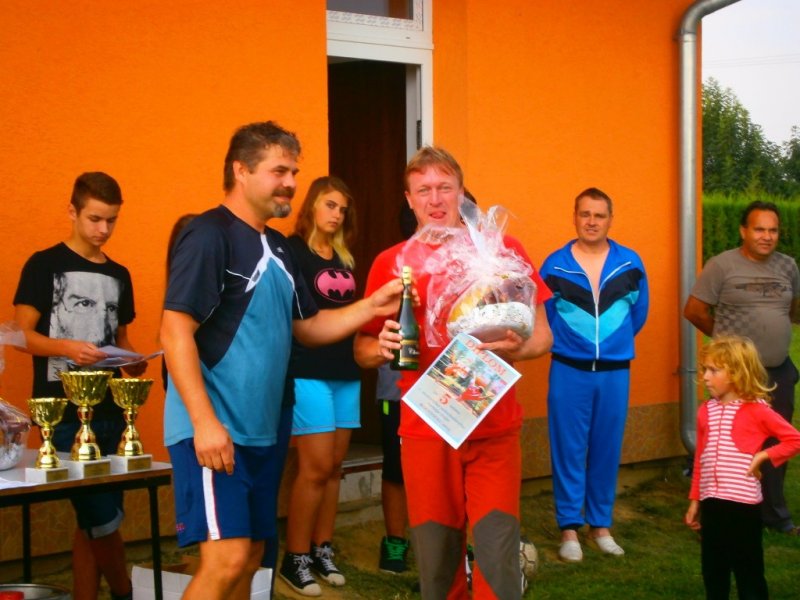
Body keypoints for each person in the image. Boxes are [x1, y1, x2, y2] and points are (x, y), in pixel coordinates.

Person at [159, 121, 404, 600]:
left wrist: (370, 307)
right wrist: (205, 423)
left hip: (263, 432)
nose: (291, 182)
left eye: (294, 172)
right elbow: (174, 331)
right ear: (241, 170)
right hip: (213, 431)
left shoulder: (278, 247)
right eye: (279, 171)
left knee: (252, 557)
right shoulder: (209, 234)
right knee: (227, 559)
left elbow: (308, 328)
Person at [354, 146, 553, 599]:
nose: (435, 199)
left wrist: (518, 347)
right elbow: (361, 351)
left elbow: (543, 337)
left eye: (444, 187)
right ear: (409, 199)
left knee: (498, 556)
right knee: (437, 559)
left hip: (493, 426)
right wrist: (380, 346)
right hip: (427, 428)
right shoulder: (392, 263)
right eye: (423, 190)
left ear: (462, 193)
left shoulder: (503, 252)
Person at [13, 171, 146, 600]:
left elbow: (121, 339)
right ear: (72, 212)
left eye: (112, 220)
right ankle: (125, 593)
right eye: (94, 219)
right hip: (62, 414)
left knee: (93, 523)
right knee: (101, 519)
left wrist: (134, 362)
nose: (103, 229)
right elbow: (21, 335)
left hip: (112, 412)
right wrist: (67, 347)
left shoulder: (120, 273)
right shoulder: (43, 264)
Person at [539, 187, 649, 562]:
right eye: (585, 214)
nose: (591, 221)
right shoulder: (554, 265)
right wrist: (578, 343)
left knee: (606, 448)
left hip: (614, 372)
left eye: (599, 215)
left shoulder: (630, 263)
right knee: (568, 449)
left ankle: (600, 526)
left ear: (609, 220)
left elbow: (638, 314)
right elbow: (545, 318)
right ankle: (569, 529)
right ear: (575, 217)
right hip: (568, 369)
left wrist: (610, 344)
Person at [684, 200, 800, 535]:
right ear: (743, 231)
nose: (767, 236)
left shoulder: (788, 266)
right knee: (726, 445)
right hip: (736, 376)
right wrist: (728, 350)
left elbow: (793, 310)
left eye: (773, 230)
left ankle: (774, 515)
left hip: (777, 372)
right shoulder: (722, 265)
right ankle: (716, 513)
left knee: (776, 443)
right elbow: (694, 311)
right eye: (759, 229)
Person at [280, 176, 361, 596]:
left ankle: (321, 549)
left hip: (347, 370)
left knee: (334, 467)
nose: (337, 214)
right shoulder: (292, 251)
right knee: (313, 467)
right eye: (330, 205)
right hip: (307, 369)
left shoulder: (346, 258)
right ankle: (293, 558)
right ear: (311, 205)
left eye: (342, 209)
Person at [685, 335, 800, 599]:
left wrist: (762, 457)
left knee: (748, 571)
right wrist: (694, 500)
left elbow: (794, 440)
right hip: (712, 503)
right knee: (713, 570)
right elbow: (701, 458)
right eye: (704, 369)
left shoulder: (757, 410)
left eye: (714, 370)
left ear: (737, 373)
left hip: (743, 506)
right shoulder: (706, 411)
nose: (705, 377)